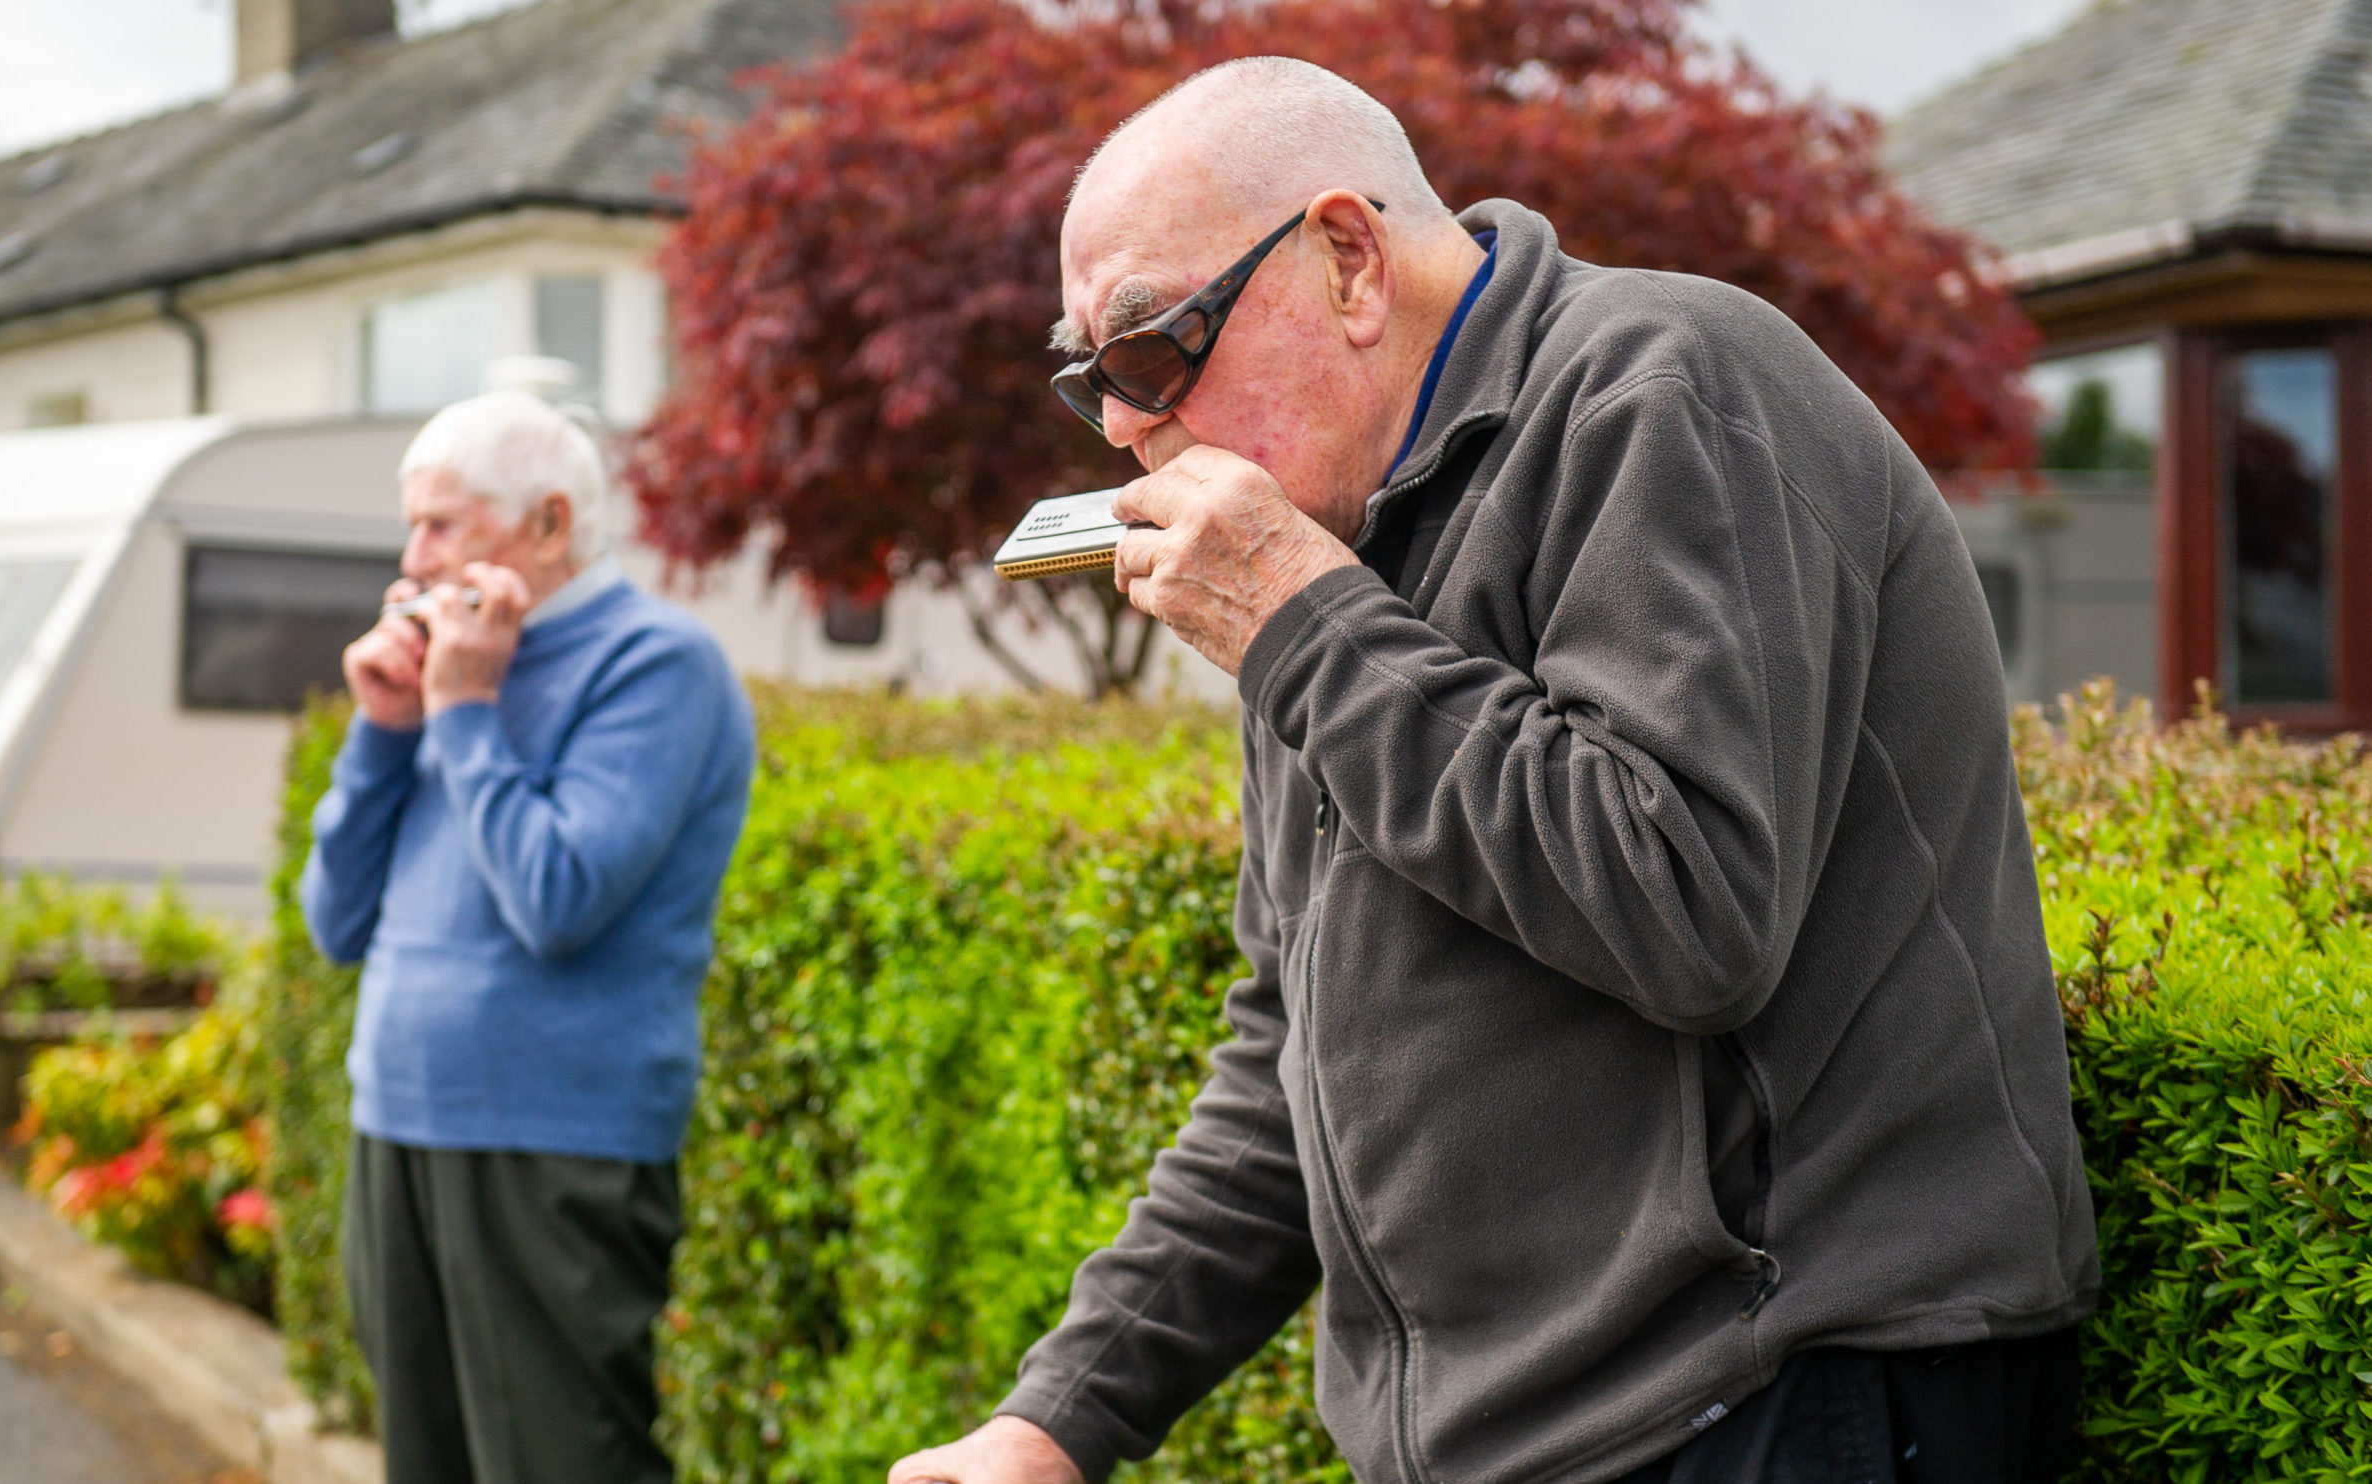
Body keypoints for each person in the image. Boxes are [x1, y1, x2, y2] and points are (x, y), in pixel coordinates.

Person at [891, 57, 2097, 1484]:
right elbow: (1297, 1054)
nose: (1118, 426)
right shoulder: (1332, 555)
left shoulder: (1659, 386)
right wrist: (1058, 1421)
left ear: (1346, 259)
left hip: (1771, 1396)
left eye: (1152, 349)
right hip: (1529, 1441)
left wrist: (1303, 623)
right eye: (1089, 374)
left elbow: (1686, 900)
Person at [301, 391, 756, 1484]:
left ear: (550, 523)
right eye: (412, 524)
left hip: (556, 1138)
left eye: (442, 525)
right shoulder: (444, 660)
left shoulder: (656, 664)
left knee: (561, 1462)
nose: (410, 559)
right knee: (428, 1459)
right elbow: (333, 920)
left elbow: (559, 898)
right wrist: (384, 727)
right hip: (397, 1118)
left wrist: (463, 709)